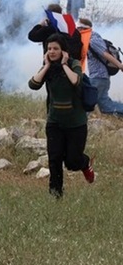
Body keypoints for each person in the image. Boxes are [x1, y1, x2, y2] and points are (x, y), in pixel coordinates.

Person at [28, 33, 94, 198]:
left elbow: (76, 81)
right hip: (54, 122)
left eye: (55, 48)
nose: (52, 51)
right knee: (54, 159)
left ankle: (85, 163)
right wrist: (46, 66)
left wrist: (65, 64)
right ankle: (55, 194)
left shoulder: (74, 64)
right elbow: (33, 84)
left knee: (72, 162)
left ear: (63, 51)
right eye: (49, 49)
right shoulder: (48, 68)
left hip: (76, 124)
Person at [78, 18, 123, 117]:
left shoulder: (92, 39)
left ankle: (81, 122)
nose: (77, 32)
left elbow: (105, 54)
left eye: (78, 29)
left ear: (83, 28)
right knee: (105, 106)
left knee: (88, 100)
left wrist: (120, 65)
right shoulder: (91, 38)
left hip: (99, 76)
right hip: (99, 76)